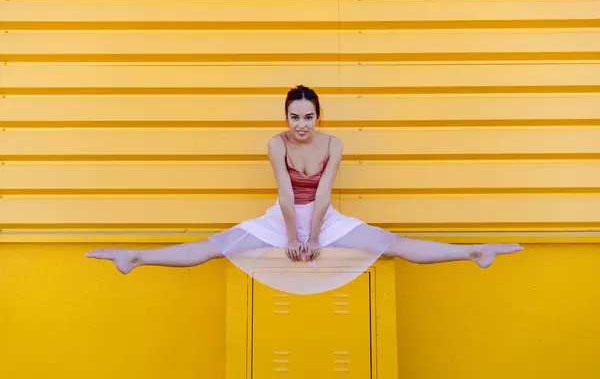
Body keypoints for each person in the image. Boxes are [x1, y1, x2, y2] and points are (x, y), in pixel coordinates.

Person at [86, 85, 524, 294]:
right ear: (286, 118)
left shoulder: (334, 144)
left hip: (322, 217)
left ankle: (474, 251)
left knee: (394, 244)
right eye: (294, 117)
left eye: (308, 117)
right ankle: (134, 257)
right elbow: (283, 195)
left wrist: (314, 238)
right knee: (212, 247)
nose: (301, 125)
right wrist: (293, 237)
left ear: (318, 117)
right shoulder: (276, 144)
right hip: (282, 216)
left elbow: (324, 196)